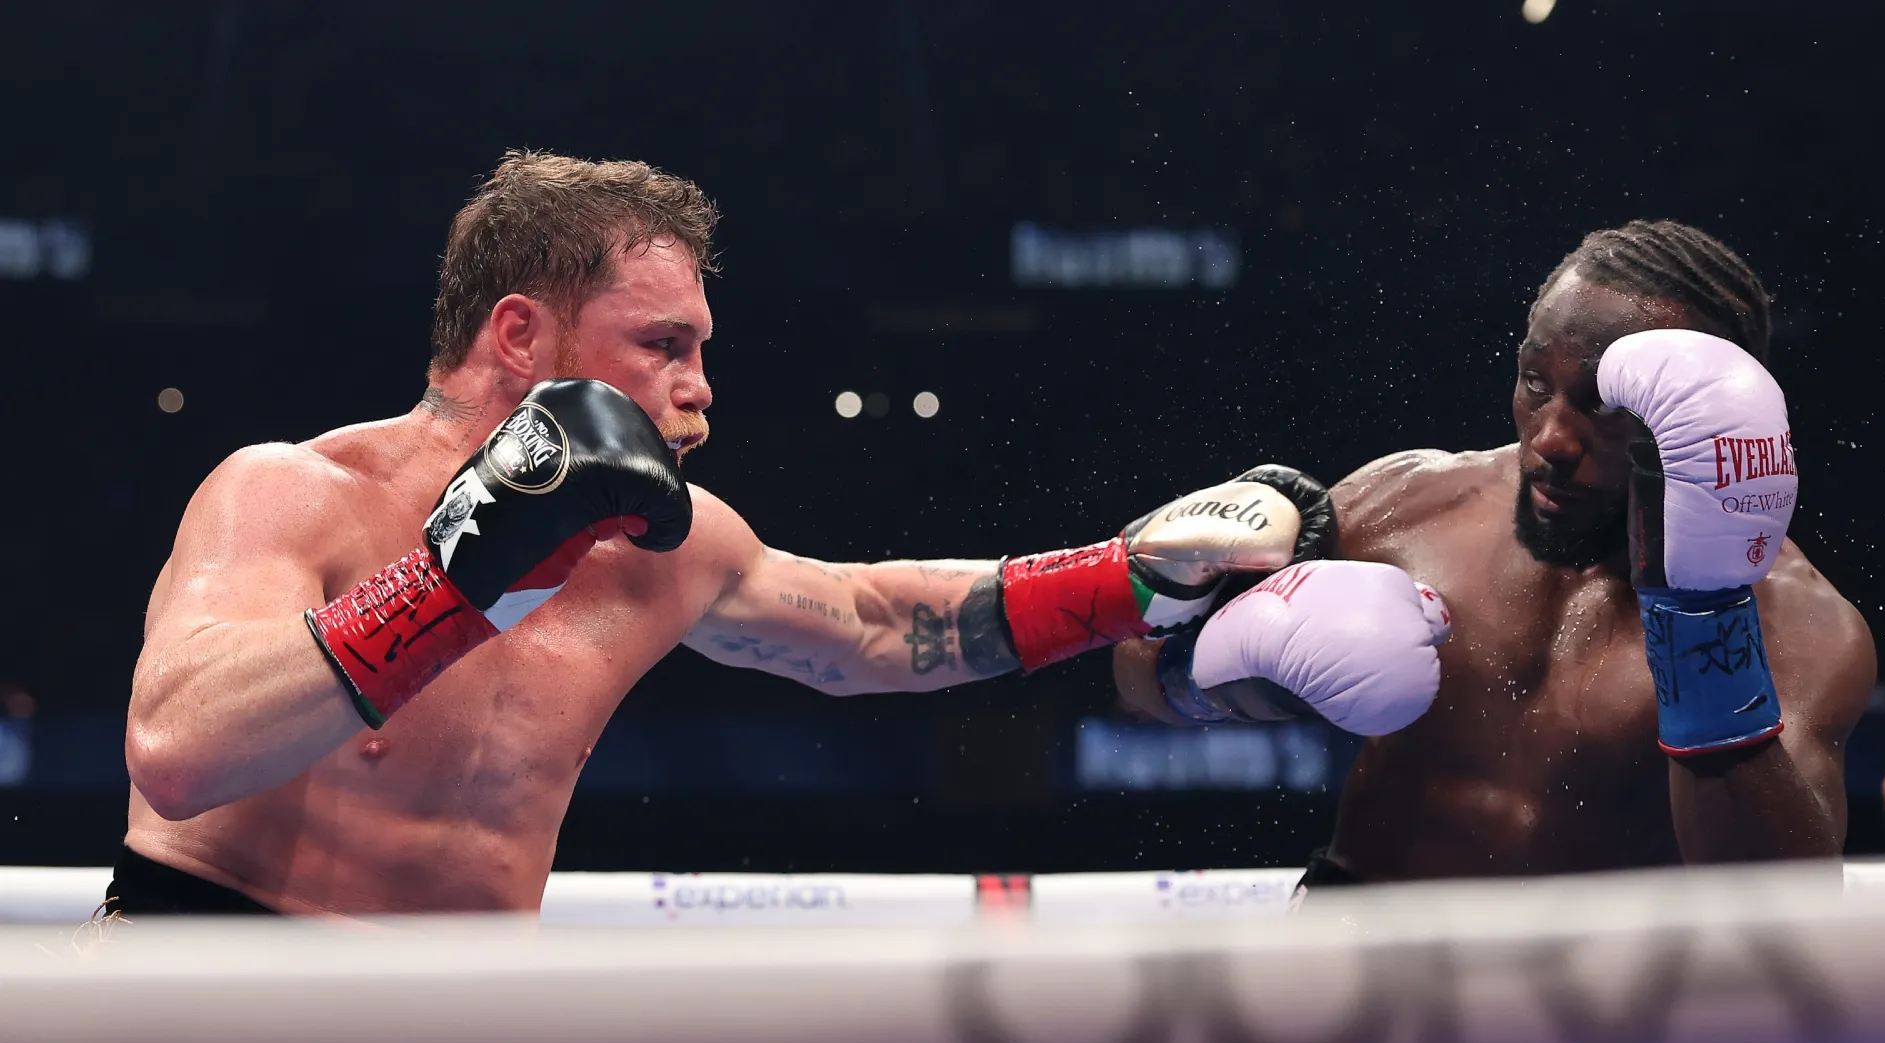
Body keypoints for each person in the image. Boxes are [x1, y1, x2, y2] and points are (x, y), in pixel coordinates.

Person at [116, 150, 1380, 916]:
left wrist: (1129, 576)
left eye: (702, 351)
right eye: (662, 345)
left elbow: (884, 628)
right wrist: (461, 579)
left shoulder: (666, 549)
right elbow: (177, 749)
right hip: (208, 981)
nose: (700, 387)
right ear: (519, 337)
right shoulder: (292, 492)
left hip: (451, 1021)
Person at [1117, 220, 1878, 889]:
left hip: (1600, 1012)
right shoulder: (1408, 505)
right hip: (1356, 971)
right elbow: (1136, 679)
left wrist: (1703, 627)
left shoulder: (1797, 623)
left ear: (1708, 424)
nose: (1550, 440)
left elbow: (1784, 903)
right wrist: (1205, 674)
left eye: (1604, 411)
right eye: (1535, 383)